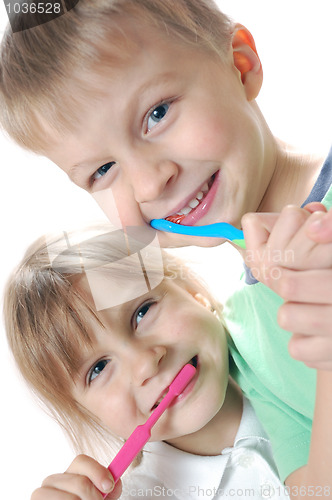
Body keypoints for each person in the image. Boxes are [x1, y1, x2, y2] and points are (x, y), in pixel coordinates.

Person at [1, 0, 332, 490]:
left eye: (156, 114)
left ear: (241, 64)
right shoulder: (247, 341)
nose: (150, 185)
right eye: (103, 171)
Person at [4, 224, 293, 500]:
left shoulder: (294, 342)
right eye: (98, 369)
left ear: (190, 290)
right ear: (86, 412)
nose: (145, 364)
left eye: (142, 312)